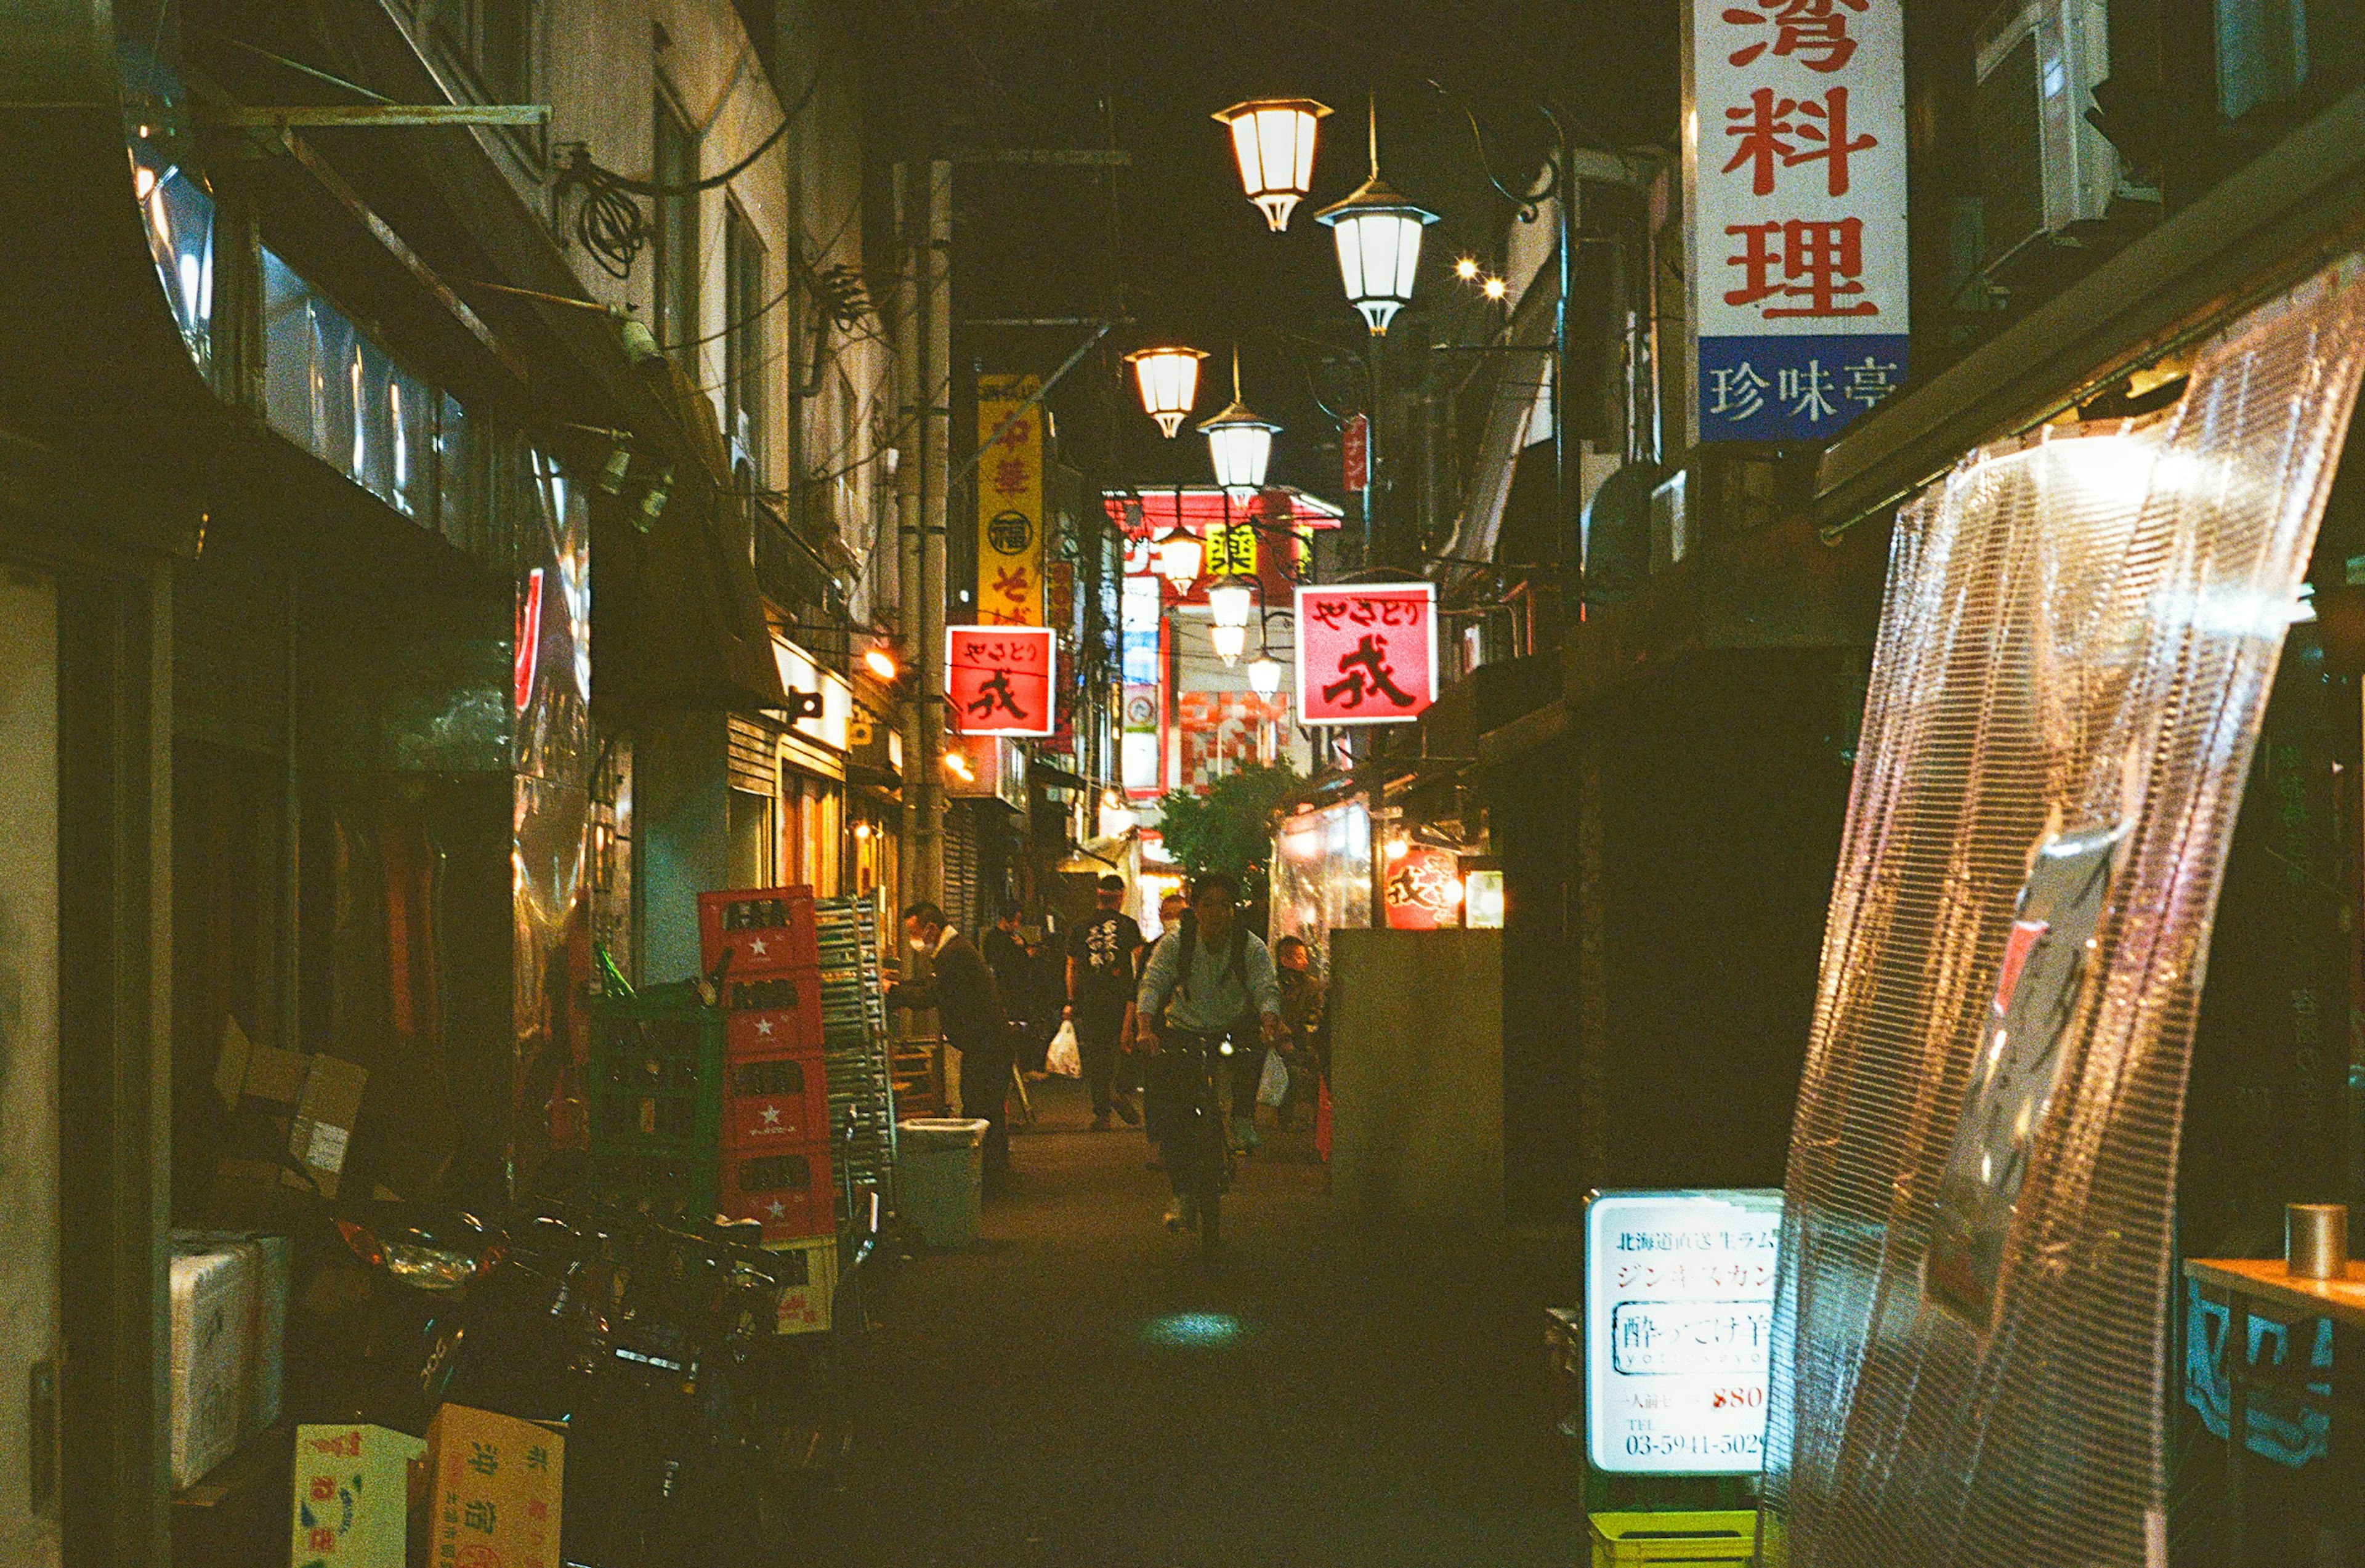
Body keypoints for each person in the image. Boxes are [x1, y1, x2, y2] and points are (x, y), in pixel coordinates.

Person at [1134, 871, 1282, 1230]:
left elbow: (1266, 986)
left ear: (1234, 911)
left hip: (1233, 1028)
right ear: (1196, 910)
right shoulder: (1175, 945)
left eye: (1225, 905)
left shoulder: (1250, 946)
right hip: (1184, 1032)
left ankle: (1243, 1118)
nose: (1217, 912)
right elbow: (1153, 983)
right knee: (1173, 1111)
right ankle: (1183, 1195)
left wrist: (1270, 1022)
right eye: (1209, 904)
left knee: (1252, 1051)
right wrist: (1144, 1029)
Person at [886, 901, 1013, 1190]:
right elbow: (930, 985)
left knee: (981, 1109)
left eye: (914, 933)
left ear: (931, 928)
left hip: (987, 1047)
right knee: (985, 1107)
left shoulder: (954, 954)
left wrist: (894, 992)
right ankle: (993, 1175)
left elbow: (932, 995)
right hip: (985, 1045)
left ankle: (989, 1180)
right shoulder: (951, 951)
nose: (913, 941)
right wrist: (899, 986)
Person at [1063, 875, 1144, 1130]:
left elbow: (1072, 966)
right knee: (1126, 1046)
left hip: (1091, 998)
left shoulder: (1079, 927)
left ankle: (1103, 1112)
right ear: (1121, 896)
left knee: (1097, 1055)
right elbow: (1141, 961)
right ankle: (1120, 1089)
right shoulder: (1129, 926)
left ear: (1098, 896)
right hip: (1123, 999)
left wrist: (1071, 1000)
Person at [1271, 935, 1327, 1133]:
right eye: (1299, 957)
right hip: (1277, 1041)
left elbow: (1316, 1011)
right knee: (1292, 1073)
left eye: (1305, 957)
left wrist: (1308, 1027)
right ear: (1285, 959)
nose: (1304, 962)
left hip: (1303, 1040)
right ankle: (1285, 1119)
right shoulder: (1273, 983)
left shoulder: (1311, 984)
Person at [981, 900, 1040, 1072]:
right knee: (1014, 1028)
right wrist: (1024, 954)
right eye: (1016, 920)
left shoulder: (1016, 937)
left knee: (1024, 1026)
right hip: (1006, 991)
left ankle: (1025, 1067)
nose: (1017, 924)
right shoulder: (994, 939)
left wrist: (1024, 949)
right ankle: (1020, 1068)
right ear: (1006, 919)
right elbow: (1004, 965)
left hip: (1022, 989)